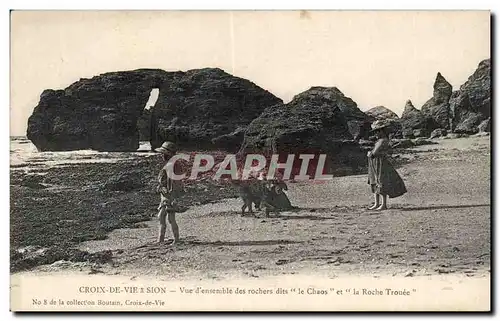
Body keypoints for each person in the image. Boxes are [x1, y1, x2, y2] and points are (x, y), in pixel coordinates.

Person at [367, 120, 407, 210]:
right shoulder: (381, 140)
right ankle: (377, 204)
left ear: (381, 131)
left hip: (380, 163)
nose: (376, 133)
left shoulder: (382, 141)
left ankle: (383, 204)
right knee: (375, 182)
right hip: (376, 163)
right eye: (375, 132)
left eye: (377, 131)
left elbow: (374, 153)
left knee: (381, 182)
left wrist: (370, 153)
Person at [155, 141, 184, 244]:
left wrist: (173, 196)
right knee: (161, 217)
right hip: (165, 195)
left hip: (169, 195)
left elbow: (175, 182)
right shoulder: (171, 164)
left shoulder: (172, 165)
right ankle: (161, 239)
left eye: (164, 153)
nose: (162, 155)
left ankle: (176, 240)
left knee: (170, 218)